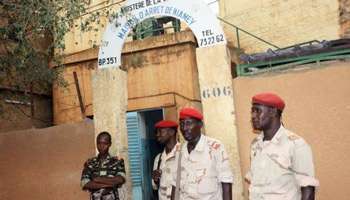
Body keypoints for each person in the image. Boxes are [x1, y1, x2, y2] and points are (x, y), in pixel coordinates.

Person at [246, 92, 319, 200]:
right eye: (252, 111)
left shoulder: (296, 144)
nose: (253, 116)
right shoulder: (255, 144)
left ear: (273, 112)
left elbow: (308, 190)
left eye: (258, 111)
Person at [171, 107, 233, 200]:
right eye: (182, 124)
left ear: (200, 125)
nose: (184, 128)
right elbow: (175, 185)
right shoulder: (179, 151)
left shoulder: (215, 148)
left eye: (188, 123)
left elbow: (226, 183)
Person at [81, 131, 126, 200]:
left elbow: (120, 179)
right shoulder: (90, 163)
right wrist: (110, 184)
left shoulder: (117, 161)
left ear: (110, 144)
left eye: (105, 143)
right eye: (99, 143)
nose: (101, 146)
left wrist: (98, 179)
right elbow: (85, 183)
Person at [152, 120, 181, 200]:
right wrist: (155, 180)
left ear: (171, 132)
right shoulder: (158, 158)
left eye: (160, 131)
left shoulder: (183, 153)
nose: (157, 135)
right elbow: (155, 187)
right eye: (156, 132)